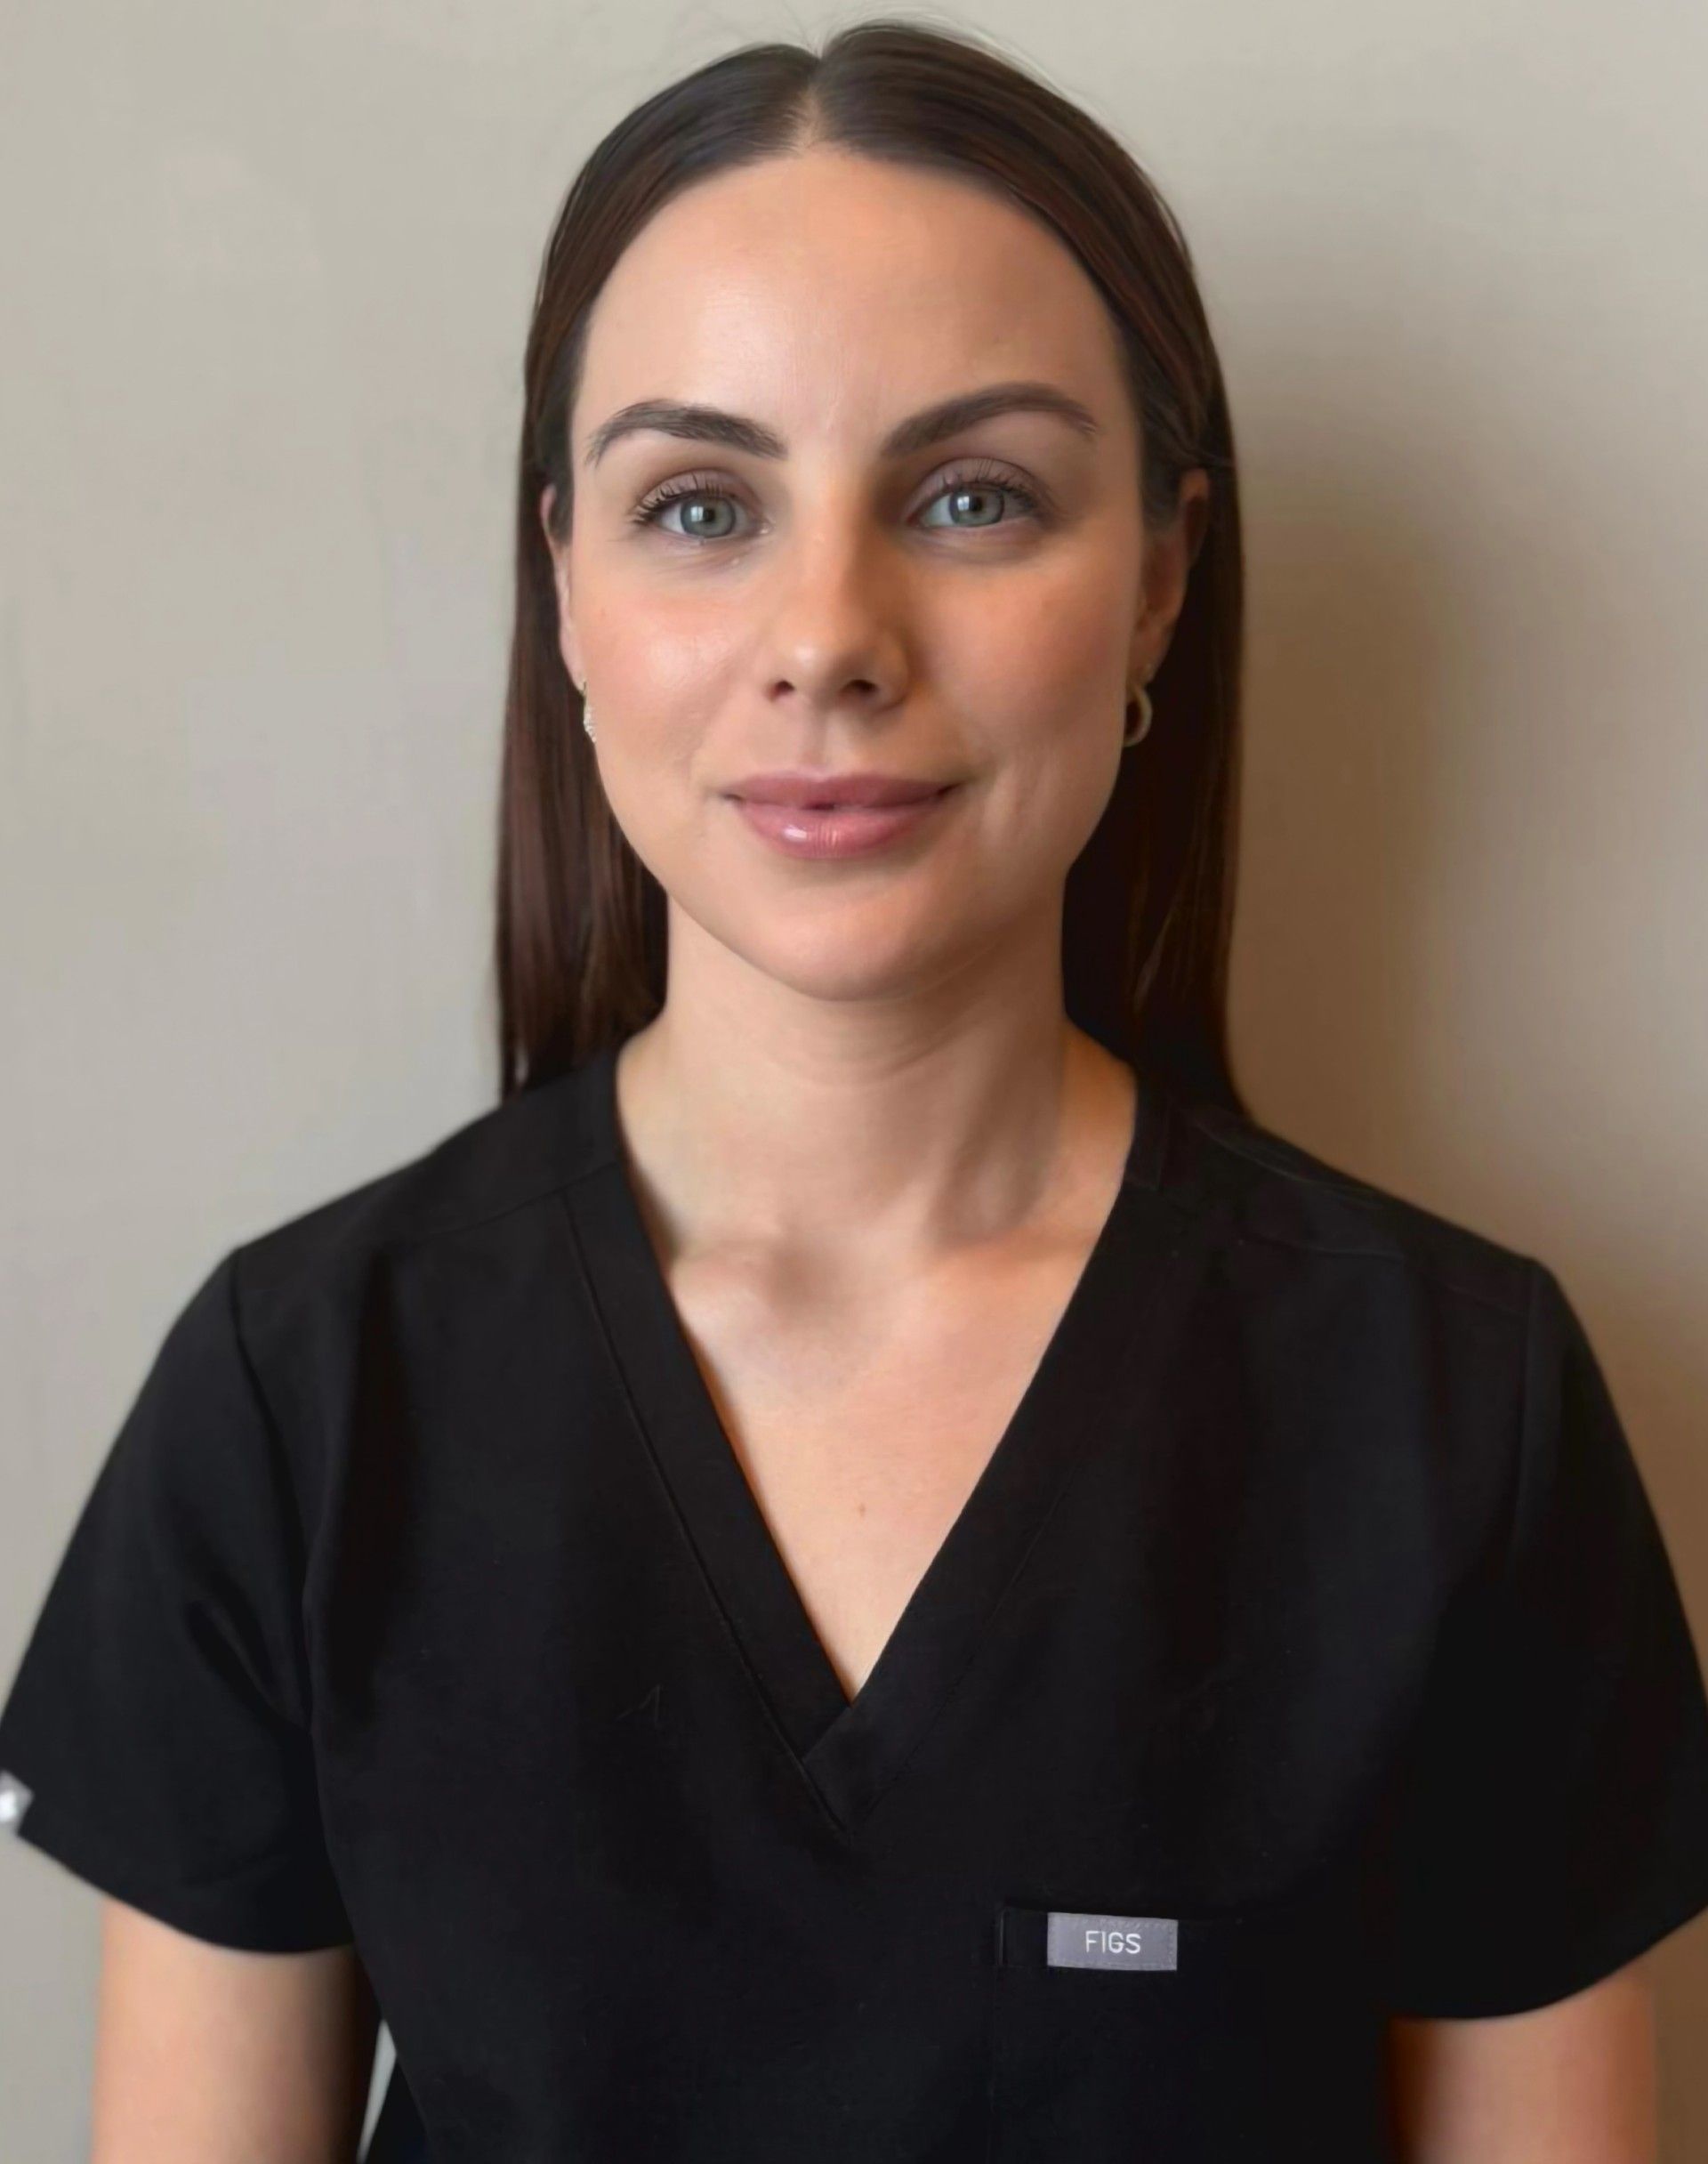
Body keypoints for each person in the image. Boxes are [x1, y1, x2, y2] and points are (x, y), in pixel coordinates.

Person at [4, 20, 1708, 2163]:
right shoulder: (302, 1400)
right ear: (568, 594)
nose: (830, 632)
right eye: (701, 504)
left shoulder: (1456, 1416)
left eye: (973, 496)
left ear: (1162, 574)